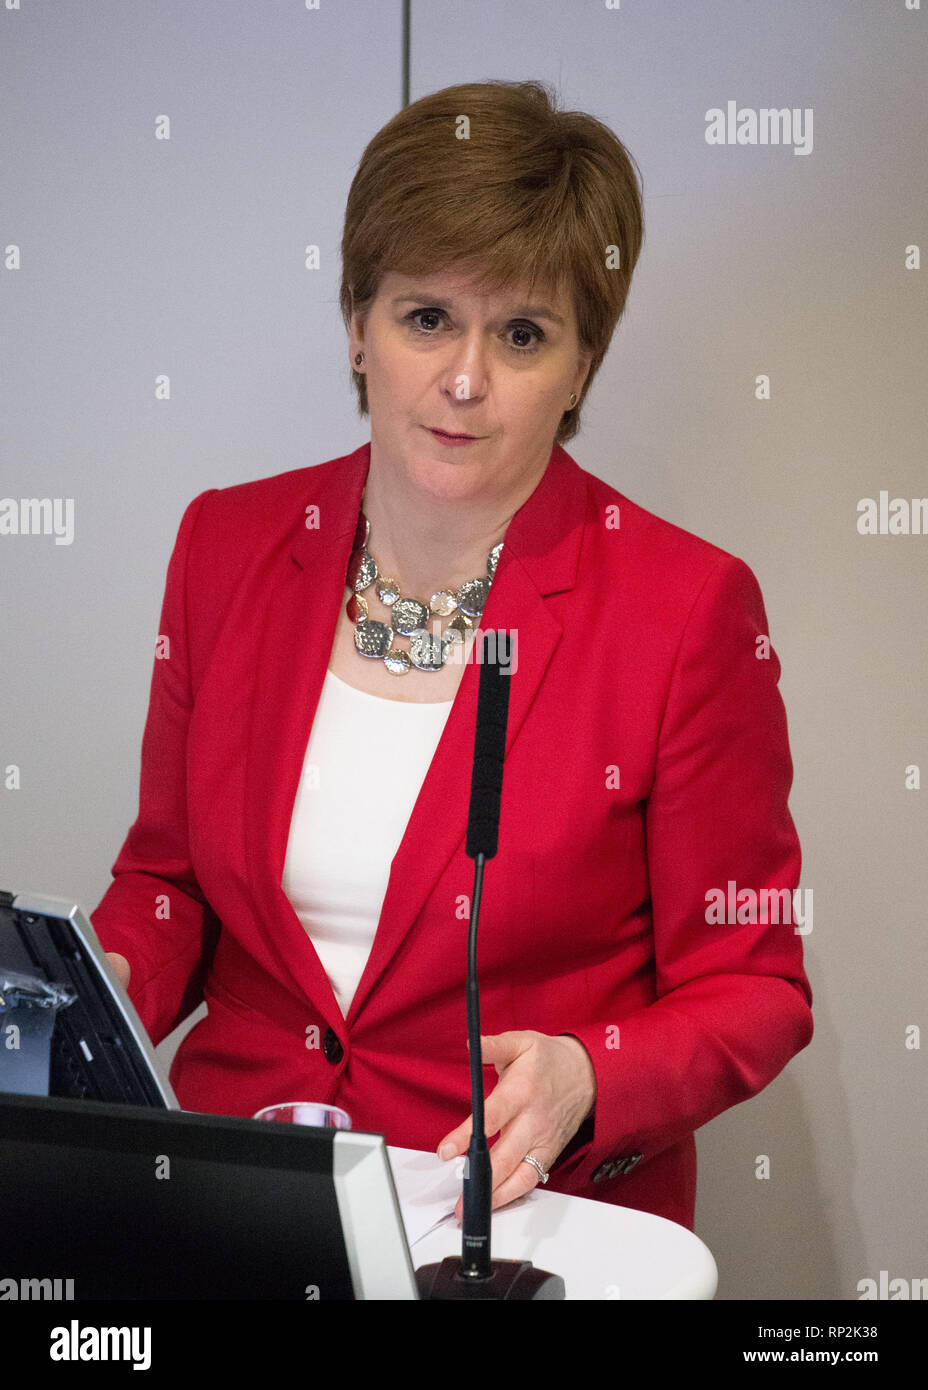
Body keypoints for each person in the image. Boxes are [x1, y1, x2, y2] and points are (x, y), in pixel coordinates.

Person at [93, 79, 813, 1233]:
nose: (466, 378)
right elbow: (170, 885)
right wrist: (106, 986)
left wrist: (592, 1069)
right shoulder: (226, 545)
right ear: (357, 327)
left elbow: (755, 986)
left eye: (522, 333)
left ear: (581, 368)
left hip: (518, 1222)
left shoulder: (687, 611)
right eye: (427, 317)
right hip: (240, 1193)